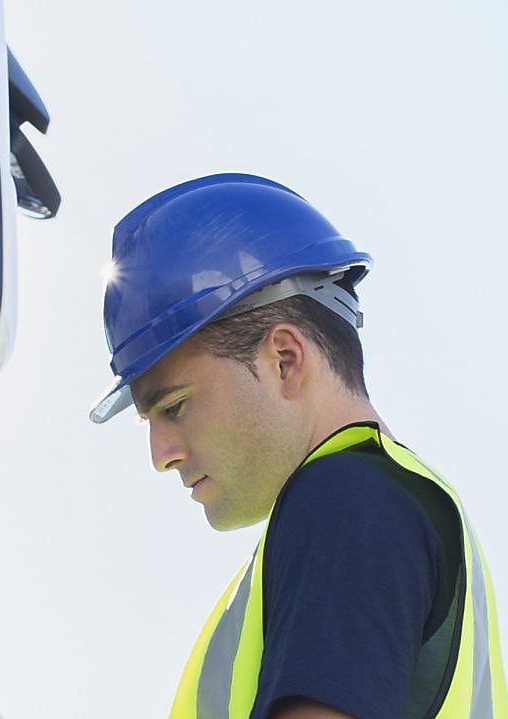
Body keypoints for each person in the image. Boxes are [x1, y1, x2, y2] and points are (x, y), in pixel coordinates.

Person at [90, 173, 506, 718]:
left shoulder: (349, 504)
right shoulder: (383, 508)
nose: (160, 454)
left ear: (285, 359)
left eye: (175, 407)